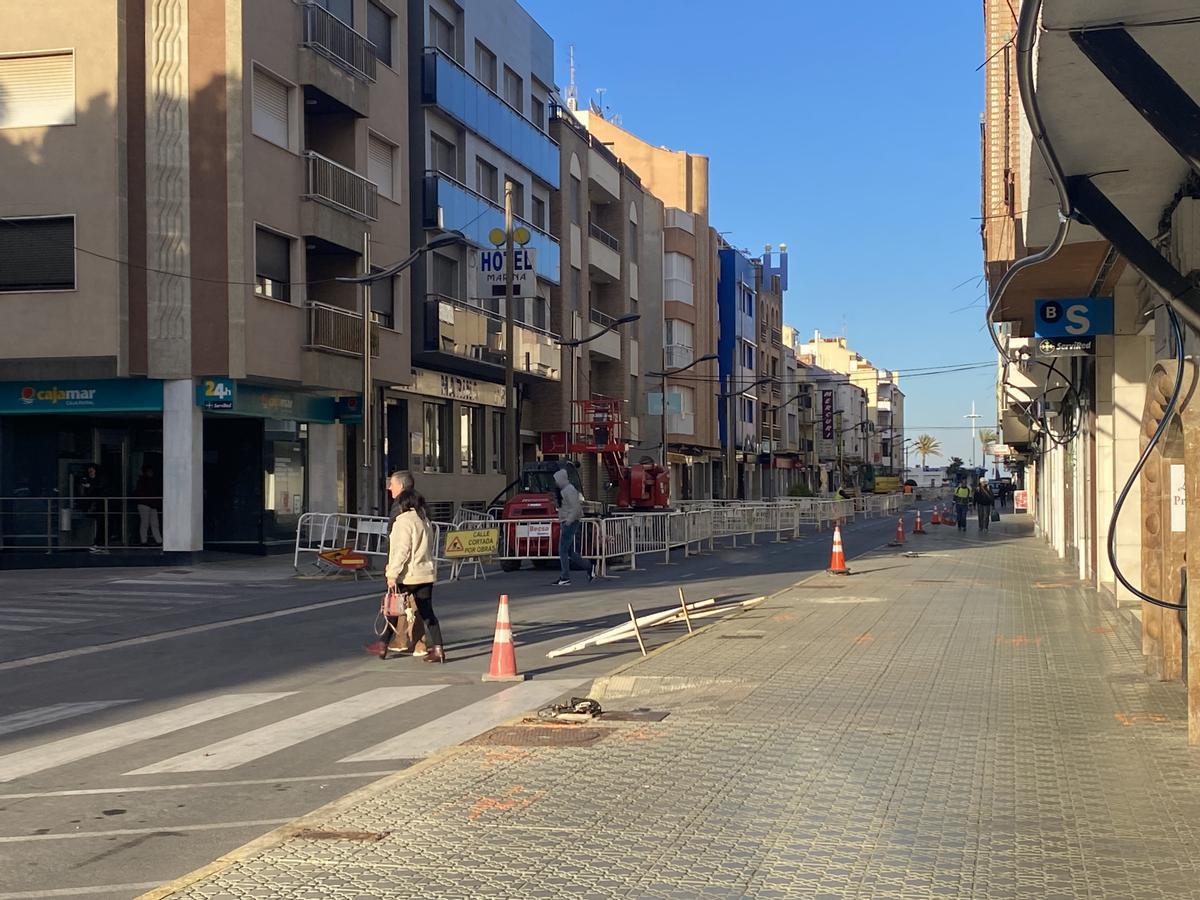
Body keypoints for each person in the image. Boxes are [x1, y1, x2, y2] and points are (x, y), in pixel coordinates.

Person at [553, 468, 595, 586]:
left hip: (569, 522)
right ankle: (589, 567)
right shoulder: (565, 490)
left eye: (556, 480)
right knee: (569, 551)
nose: (555, 483)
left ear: (561, 480)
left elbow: (576, 508)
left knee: (563, 550)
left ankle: (565, 577)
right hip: (568, 521)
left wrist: (568, 521)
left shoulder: (569, 490)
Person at [79, 464, 108, 553]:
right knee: (92, 523)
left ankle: (98, 542)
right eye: (89, 472)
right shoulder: (88, 480)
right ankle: (91, 542)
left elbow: (100, 489)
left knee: (100, 523)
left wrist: (90, 486)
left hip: (99, 505)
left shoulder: (100, 480)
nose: (90, 473)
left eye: (92, 471)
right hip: (91, 505)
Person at [134, 465, 163, 546]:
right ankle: (146, 541)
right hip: (146, 504)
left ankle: (158, 540)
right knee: (146, 523)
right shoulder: (144, 481)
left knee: (153, 523)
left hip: (150, 504)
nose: (151, 473)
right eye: (149, 471)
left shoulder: (145, 481)